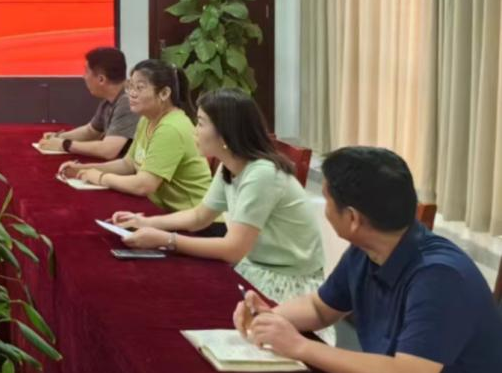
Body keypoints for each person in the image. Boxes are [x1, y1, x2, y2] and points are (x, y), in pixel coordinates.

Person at [237, 147, 502, 373]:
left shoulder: (440, 277)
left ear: (353, 219)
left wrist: (300, 347)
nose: (325, 209)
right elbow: (320, 307)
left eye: (327, 200)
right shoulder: (369, 250)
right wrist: (270, 318)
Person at [111, 89, 326, 306]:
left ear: (225, 133)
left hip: (285, 281)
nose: (194, 131)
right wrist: (145, 222)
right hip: (255, 266)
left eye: (200, 123)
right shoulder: (231, 165)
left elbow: (233, 249)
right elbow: (199, 217)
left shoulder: (262, 174)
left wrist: (167, 240)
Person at [59, 59, 211, 213]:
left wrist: (100, 178)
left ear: (164, 93)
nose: (131, 94)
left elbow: (144, 185)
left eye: (139, 88)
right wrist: (83, 169)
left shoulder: (171, 128)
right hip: (168, 212)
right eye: (130, 87)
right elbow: (128, 164)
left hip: (196, 218)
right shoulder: (147, 119)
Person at [37, 47, 136, 159]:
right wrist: (59, 137)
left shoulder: (128, 101)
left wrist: (65, 144)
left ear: (101, 79)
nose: (84, 76)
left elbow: (108, 150)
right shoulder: (110, 100)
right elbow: (91, 131)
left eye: (86, 71)